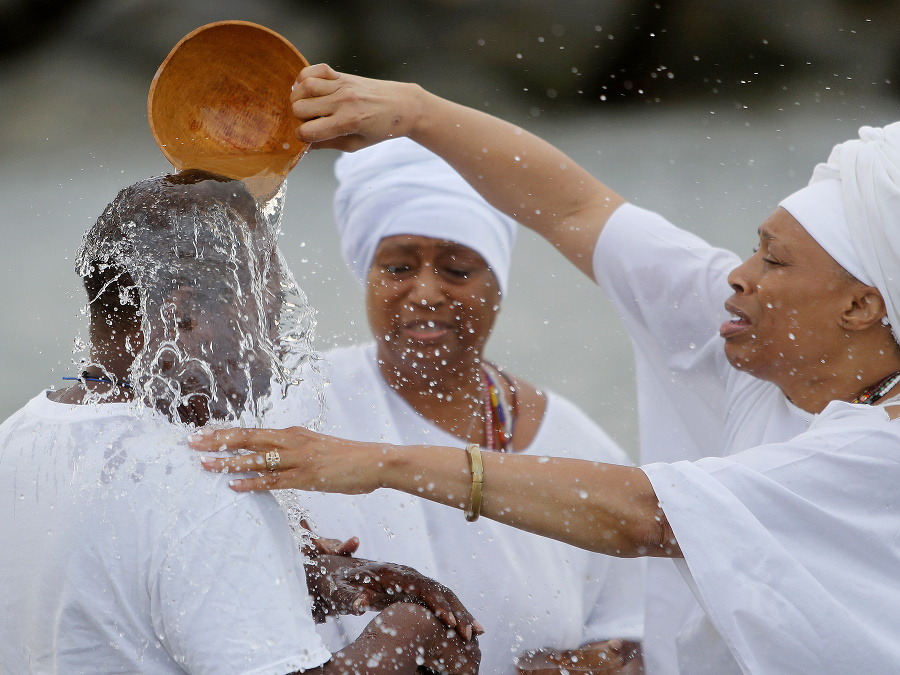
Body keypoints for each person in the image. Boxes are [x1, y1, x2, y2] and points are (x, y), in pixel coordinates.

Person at [191, 65, 900, 673]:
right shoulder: (747, 325)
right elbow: (573, 207)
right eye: (399, 264)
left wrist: (375, 462)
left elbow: (644, 515)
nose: (739, 275)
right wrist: (416, 112)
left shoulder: (878, 455)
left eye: (773, 260)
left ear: (863, 305)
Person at [0, 169, 480, 674]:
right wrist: (408, 638)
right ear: (182, 314)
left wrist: (293, 575)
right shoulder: (205, 486)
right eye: (268, 316)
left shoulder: (16, 441)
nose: (273, 351)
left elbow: (107, 601)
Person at [264, 137, 644, 673]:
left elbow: (645, 629)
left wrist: (602, 664)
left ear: (498, 284)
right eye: (398, 267)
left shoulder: (575, 444)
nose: (425, 291)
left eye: (457, 270)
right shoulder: (295, 407)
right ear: (366, 276)